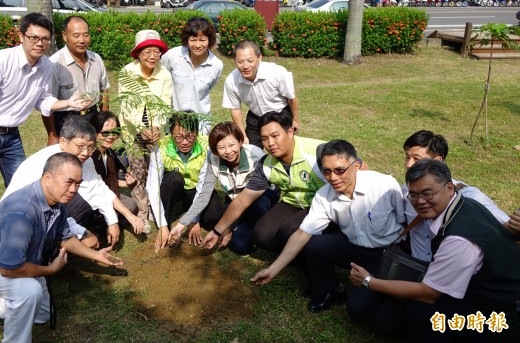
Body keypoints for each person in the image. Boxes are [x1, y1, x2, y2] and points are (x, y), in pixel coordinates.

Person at [0, 152, 121, 343]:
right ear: (47, 178)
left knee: (41, 313)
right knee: (29, 292)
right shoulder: (22, 213)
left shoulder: (57, 200)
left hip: (19, 261)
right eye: (68, 182)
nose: (74, 189)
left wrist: (96, 255)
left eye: (78, 183)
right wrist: (49, 270)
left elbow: (64, 238)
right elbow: (9, 269)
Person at [350, 159, 520, 343]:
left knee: (423, 315)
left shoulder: (458, 240)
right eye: (413, 195)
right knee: (389, 318)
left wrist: (368, 281)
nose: (420, 202)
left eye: (427, 193)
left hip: (502, 318)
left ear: (449, 188)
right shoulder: (465, 205)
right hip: (493, 296)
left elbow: (427, 295)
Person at [0, 12, 89, 244]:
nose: (40, 43)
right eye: (34, 38)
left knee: (25, 187)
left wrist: (69, 102)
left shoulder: (46, 66)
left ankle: (22, 236)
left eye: (45, 39)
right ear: (21, 36)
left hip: (11, 136)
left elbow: (43, 102)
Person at [251, 139, 405, 318]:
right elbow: (302, 233)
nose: (333, 177)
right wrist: (273, 269)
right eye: (327, 171)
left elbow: (405, 221)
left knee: (358, 309)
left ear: (356, 166)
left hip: (386, 252)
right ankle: (330, 289)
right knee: (313, 244)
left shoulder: (384, 185)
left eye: (340, 170)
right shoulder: (323, 196)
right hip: (354, 247)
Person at [2, 117, 143, 249]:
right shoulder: (50, 165)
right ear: (63, 141)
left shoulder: (82, 158)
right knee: (80, 198)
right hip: (19, 222)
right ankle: (51, 251)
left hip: (47, 216)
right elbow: (47, 211)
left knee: (85, 197)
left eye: (90, 147)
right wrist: (82, 233)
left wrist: (112, 221)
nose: (85, 152)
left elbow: (97, 186)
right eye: (80, 146)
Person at [202, 111, 328, 253]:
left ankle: (311, 247)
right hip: (293, 203)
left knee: (288, 230)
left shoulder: (318, 151)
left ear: (290, 131)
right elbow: (242, 200)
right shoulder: (266, 164)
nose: (270, 143)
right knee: (261, 235)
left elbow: (355, 167)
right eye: (264, 138)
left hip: (325, 205)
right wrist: (217, 231)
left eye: (275, 136)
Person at [168, 122, 278, 254]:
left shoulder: (256, 156)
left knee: (258, 207)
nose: (228, 151)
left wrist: (230, 225)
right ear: (215, 150)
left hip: (260, 196)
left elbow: (249, 198)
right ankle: (246, 229)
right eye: (221, 147)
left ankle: (266, 228)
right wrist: (181, 225)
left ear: (240, 142)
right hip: (236, 199)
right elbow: (204, 195)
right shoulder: (213, 160)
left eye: (232, 145)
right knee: (239, 246)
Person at [402, 130, 511, 262]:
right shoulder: (406, 192)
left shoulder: (471, 197)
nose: (408, 164)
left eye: (416, 159)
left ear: (438, 161)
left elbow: (505, 229)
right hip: (414, 269)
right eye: (407, 157)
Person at [147, 112, 224, 252]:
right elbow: (153, 186)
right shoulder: (160, 147)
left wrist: (194, 220)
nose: (184, 142)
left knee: (215, 217)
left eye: (190, 136)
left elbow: (203, 185)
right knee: (174, 178)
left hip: (195, 190)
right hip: (174, 185)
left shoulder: (206, 147)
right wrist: (162, 225)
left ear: (197, 132)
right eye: (179, 137)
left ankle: (188, 208)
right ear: (170, 134)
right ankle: (165, 217)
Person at [119, 29, 172, 230]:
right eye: (146, 51)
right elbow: (126, 105)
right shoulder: (127, 72)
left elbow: (165, 103)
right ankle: (142, 211)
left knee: (154, 169)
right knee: (137, 169)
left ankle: (153, 207)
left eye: (156, 51)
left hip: (155, 131)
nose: (152, 56)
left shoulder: (164, 74)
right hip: (132, 131)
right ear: (138, 54)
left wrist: (157, 126)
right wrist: (141, 128)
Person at [43, 16, 110, 142]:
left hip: (93, 117)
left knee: (93, 158)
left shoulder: (96, 59)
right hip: (67, 121)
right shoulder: (54, 64)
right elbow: (47, 104)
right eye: (76, 35)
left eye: (86, 35)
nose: (82, 40)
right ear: (64, 36)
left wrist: (104, 120)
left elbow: (104, 90)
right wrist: (52, 136)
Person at [222, 40, 300, 148]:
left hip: (280, 113)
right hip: (256, 116)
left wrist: (295, 120)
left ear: (259, 58)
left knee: (282, 148)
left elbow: (291, 97)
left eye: (250, 61)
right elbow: (235, 109)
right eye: (240, 62)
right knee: (250, 149)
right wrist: (243, 135)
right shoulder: (231, 81)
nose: (245, 66)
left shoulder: (277, 72)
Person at [160, 17, 223, 133]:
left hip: (201, 125)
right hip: (174, 124)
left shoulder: (216, 65)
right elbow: (161, 75)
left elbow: (210, 87)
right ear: (186, 40)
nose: (198, 45)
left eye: (202, 40)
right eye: (193, 40)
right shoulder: (173, 55)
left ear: (209, 40)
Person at [88, 111, 138, 216]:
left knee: (132, 205)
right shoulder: (88, 156)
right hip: (91, 198)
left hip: (108, 193)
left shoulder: (109, 153)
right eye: (105, 133)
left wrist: (125, 183)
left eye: (115, 132)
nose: (111, 136)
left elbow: (107, 179)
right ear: (94, 132)